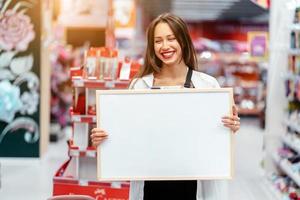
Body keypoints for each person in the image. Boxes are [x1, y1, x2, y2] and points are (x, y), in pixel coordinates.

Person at [91, 13, 240, 200]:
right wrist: (104, 139)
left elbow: (216, 140)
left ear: (183, 41)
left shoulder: (207, 85)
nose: (165, 46)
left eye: (171, 39)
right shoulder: (139, 86)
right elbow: (127, 134)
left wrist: (230, 127)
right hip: (149, 186)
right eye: (158, 41)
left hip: (194, 184)